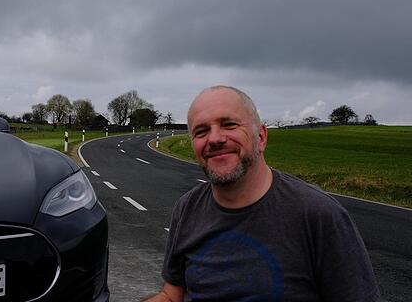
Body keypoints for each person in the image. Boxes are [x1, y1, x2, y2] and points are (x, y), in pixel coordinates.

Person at [143, 85, 380, 302]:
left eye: (229, 124)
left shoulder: (319, 214)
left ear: (262, 137)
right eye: (201, 131)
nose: (214, 139)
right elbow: (171, 295)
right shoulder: (187, 208)